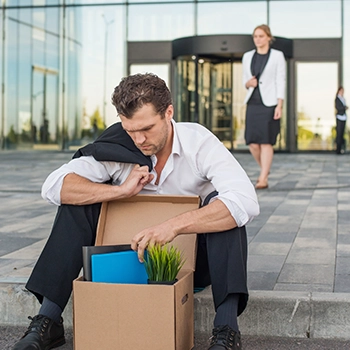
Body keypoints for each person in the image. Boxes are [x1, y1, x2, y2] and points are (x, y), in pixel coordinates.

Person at [12, 73, 259, 350]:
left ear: (168, 112)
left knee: (223, 206)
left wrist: (173, 226)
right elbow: (55, 186)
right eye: (130, 130)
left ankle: (226, 329)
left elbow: (246, 201)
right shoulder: (116, 146)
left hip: (193, 262)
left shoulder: (199, 143)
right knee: (79, 202)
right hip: (128, 257)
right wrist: (119, 191)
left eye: (147, 128)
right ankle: (48, 321)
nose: (139, 139)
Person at [242, 24, 286, 189]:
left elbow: (280, 80)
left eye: (261, 36)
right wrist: (248, 83)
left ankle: (263, 178)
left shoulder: (277, 56)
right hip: (253, 102)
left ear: (268, 37)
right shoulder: (247, 56)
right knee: (252, 142)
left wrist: (279, 105)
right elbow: (244, 80)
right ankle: (265, 170)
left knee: (266, 141)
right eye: (255, 36)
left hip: (270, 103)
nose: (258, 39)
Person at [335, 86, 348, 154]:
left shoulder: (343, 99)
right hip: (339, 117)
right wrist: (344, 108)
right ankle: (338, 149)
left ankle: (341, 148)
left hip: (344, 117)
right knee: (339, 134)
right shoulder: (337, 99)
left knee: (342, 134)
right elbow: (338, 107)